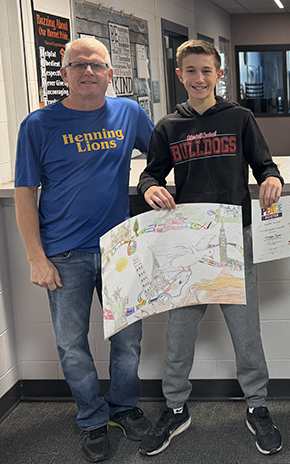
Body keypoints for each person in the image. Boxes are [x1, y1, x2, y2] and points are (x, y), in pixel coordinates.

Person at [136, 39, 284, 457]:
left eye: (207, 71)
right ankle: (175, 408)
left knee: (246, 332)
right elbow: (150, 174)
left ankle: (257, 406)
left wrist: (272, 179)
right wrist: (149, 189)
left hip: (235, 238)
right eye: (191, 71)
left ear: (219, 75)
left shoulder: (239, 118)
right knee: (179, 334)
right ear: (179, 75)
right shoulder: (168, 126)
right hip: (188, 242)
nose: (199, 78)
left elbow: (266, 165)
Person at [14, 37, 154, 462]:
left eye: (96, 65)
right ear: (64, 73)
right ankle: (92, 419)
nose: (88, 72)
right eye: (78, 65)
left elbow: (163, 156)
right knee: (72, 344)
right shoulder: (38, 125)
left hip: (118, 251)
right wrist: (36, 258)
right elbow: (25, 193)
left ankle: (123, 408)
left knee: (129, 340)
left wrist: (153, 185)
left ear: (111, 73)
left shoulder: (129, 113)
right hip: (64, 254)